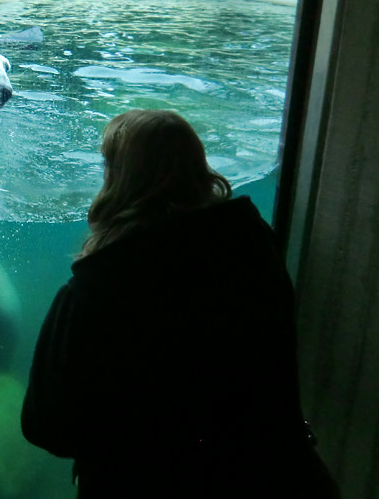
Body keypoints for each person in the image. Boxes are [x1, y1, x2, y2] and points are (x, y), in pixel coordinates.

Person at [21, 109, 339, 499]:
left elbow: (48, 426)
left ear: (118, 177)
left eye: (108, 164)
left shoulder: (97, 287)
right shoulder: (254, 251)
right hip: (277, 477)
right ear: (197, 165)